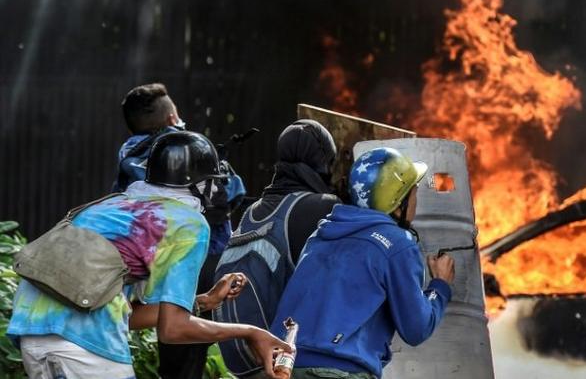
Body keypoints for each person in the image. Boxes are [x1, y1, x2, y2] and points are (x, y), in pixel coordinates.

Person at [8, 131, 290, 379]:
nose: (217, 190)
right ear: (200, 185)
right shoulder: (188, 223)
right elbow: (173, 331)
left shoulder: (113, 205)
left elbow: (124, 314)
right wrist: (250, 332)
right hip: (85, 343)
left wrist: (202, 302)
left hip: (32, 331)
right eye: (213, 182)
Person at [271, 147, 456, 379]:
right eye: (414, 192)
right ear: (399, 201)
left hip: (283, 366)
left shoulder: (321, 234)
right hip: (338, 370)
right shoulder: (397, 243)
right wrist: (440, 286)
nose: (416, 200)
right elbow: (416, 328)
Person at [113, 83, 246, 378]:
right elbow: (234, 191)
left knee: (171, 350)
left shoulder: (128, 155)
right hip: (199, 257)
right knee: (188, 347)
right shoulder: (186, 147)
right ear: (172, 117)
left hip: (150, 266)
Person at [214, 119, 342, 377]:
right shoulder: (323, 207)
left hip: (244, 361)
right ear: (324, 160)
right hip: (288, 362)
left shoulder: (254, 211)